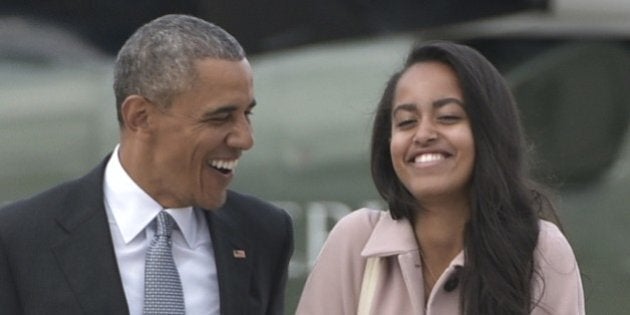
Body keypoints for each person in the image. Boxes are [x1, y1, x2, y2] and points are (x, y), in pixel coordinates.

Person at [0, 14, 293, 315]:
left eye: (248, 114)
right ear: (140, 116)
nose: (245, 139)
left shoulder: (263, 232)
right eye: (220, 117)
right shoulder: (19, 239)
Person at [296, 41, 584, 314]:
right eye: (406, 122)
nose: (423, 135)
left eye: (448, 117)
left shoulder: (540, 250)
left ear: (489, 132)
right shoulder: (355, 241)